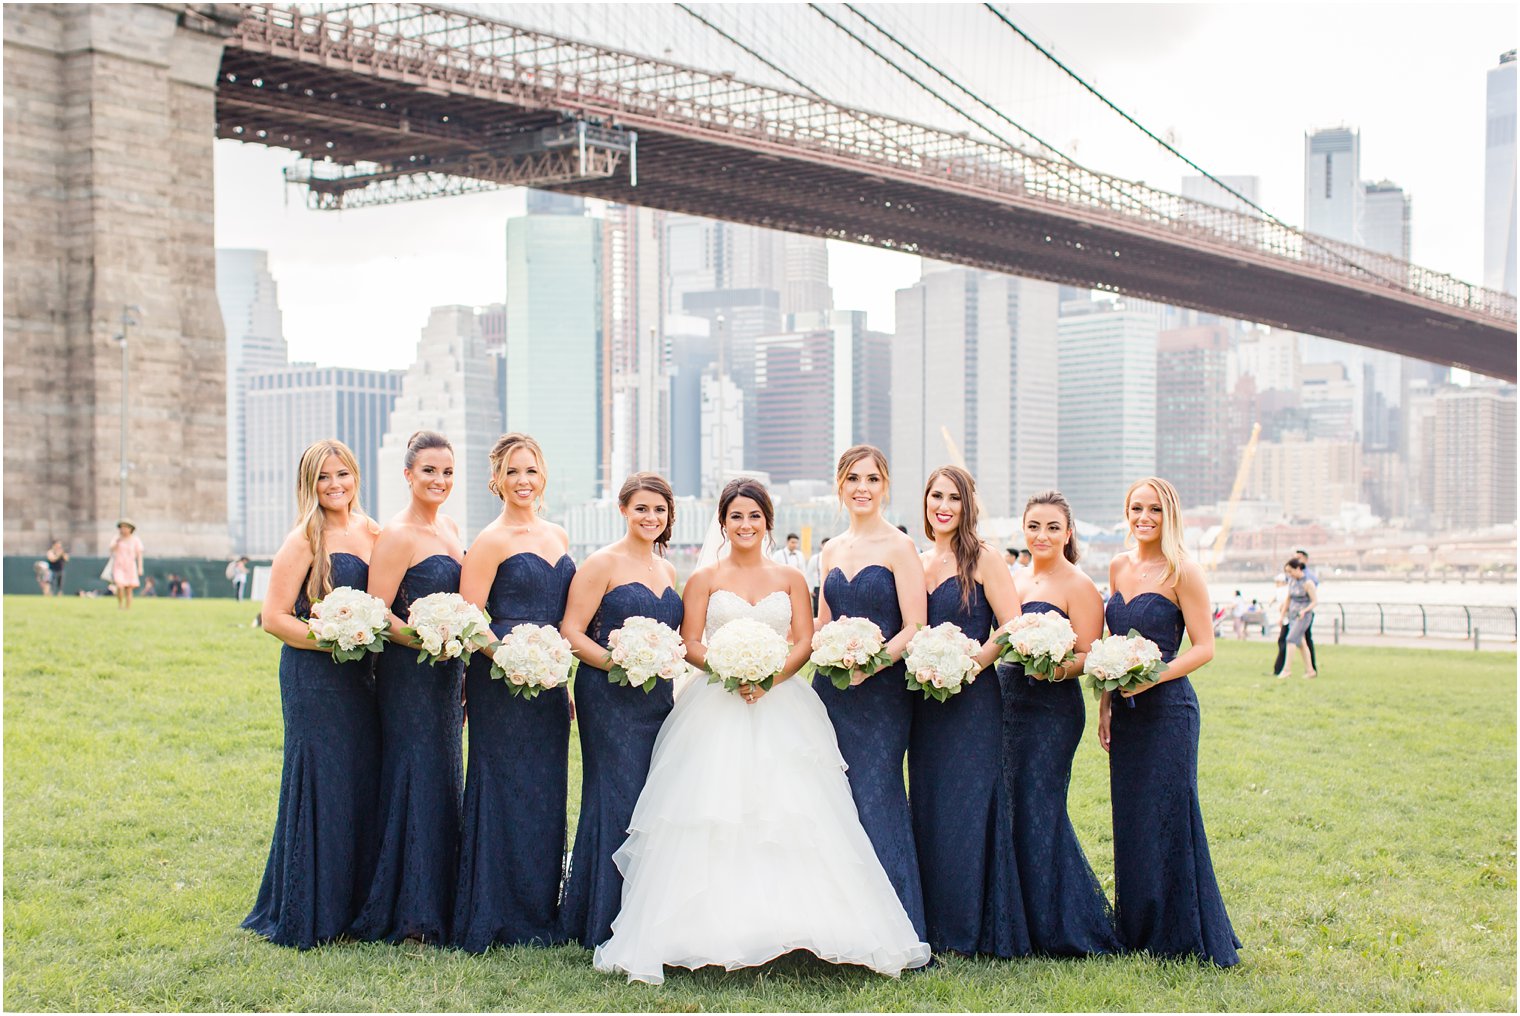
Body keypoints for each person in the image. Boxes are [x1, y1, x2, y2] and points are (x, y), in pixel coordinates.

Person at [593, 479, 930, 984]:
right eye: (736, 517)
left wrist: (770, 677)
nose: (745, 525)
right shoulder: (703, 578)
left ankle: (800, 925)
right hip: (717, 700)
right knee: (714, 810)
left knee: (794, 810)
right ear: (723, 524)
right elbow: (689, 642)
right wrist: (730, 669)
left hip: (784, 701)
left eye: (754, 516)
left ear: (767, 522)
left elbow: (805, 639)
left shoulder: (792, 576)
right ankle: (701, 929)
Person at [243, 438, 382, 949]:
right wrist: (334, 639)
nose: (335, 485)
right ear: (309, 484)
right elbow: (274, 619)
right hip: (315, 678)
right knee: (322, 780)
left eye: (342, 474)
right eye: (324, 477)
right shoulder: (304, 538)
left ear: (356, 477)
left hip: (366, 677)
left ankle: (358, 904)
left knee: (362, 778)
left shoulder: (373, 533)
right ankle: (312, 907)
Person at [1098, 477, 1239, 966]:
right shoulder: (1118, 566)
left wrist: (1152, 676)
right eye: (1136, 508)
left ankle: (1181, 933)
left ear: (1169, 514)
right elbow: (1107, 643)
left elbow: (1205, 647)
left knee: (1171, 816)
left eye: (1154, 510)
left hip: (1169, 711)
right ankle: (1136, 927)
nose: (1144, 518)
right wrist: (1105, 705)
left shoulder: (1184, 572)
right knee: (1131, 818)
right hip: (1126, 712)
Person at [452, 434, 575, 952]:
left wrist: (555, 671)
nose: (523, 480)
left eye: (532, 470)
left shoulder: (559, 535)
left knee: (546, 792)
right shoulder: (490, 541)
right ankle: (495, 911)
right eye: (513, 472)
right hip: (501, 684)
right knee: (501, 787)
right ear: (497, 480)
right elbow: (467, 617)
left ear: (542, 475)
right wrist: (510, 657)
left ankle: (539, 908)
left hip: (550, 683)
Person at [558, 472, 684, 950]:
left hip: (656, 697)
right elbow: (572, 630)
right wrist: (621, 662)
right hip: (608, 694)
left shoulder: (667, 571)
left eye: (659, 510)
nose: (650, 517)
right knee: (615, 794)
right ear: (623, 511)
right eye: (642, 508)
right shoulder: (601, 563)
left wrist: (660, 660)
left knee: (651, 797)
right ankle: (600, 914)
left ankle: (642, 909)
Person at [350, 431, 466, 945]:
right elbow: (377, 613)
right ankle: (411, 909)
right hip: (409, 673)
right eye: (429, 472)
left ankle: (441, 897)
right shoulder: (396, 534)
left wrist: (453, 642)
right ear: (407, 476)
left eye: (446, 472)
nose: (439, 480)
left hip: (447, 672)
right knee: (415, 774)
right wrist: (426, 636)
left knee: (444, 774)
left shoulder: (451, 528)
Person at [999, 489, 1122, 957]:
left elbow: (1090, 657)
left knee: (1040, 809)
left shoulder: (1080, 586)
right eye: (1034, 526)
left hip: (1052, 710)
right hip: (1007, 702)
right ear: (1023, 530)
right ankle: (1017, 920)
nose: (1042, 535)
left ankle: (1061, 926)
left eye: (1052, 527)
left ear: (1068, 533)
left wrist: (1051, 664)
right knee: (1010, 808)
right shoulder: (1014, 579)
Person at [813, 445, 927, 939]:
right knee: (834, 795)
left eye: (873, 479)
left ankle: (897, 922)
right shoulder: (830, 550)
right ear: (840, 486)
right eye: (853, 479)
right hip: (832, 690)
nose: (863, 487)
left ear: (885, 487)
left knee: (878, 791)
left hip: (882, 693)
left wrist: (871, 663)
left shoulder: (900, 547)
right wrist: (829, 654)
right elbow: (822, 622)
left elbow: (915, 624)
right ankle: (840, 920)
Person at [910, 466, 1022, 956]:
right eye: (937, 496)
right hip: (926, 702)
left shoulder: (984, 559)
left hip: (973, 699)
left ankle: (972, 925)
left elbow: (1011, 624)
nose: (944, 506)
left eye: (954, 498)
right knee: (931, 803)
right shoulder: (916, 561)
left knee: (971, 805)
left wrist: (970, 663)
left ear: (967, 505)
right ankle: (934, 921)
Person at [1271, 553, 1321, 675]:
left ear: (1298, 568)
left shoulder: (1308, 582)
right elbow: (1288, 599)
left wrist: (1304, 610)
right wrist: (1282, 615)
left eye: (1290, 571)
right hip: (1292, 615)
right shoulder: (1292, 581)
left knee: (1291, 639)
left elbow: (1315, 601)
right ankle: (1310, 670)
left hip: (1303, 616)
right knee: (1301, 643)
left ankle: (1287, 670)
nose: (1289, 574)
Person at [108, 519, 144, 610]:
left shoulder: (135, 539)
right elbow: (111, 549)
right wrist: (118, 541)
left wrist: (140, 567)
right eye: (122, 527)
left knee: (128, 589)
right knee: (120, 586)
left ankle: (127, 608)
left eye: (126, 527)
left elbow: (139, 554)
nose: (123, 529)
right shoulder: (117, 538)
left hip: (130, 566)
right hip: (119, 565)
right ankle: (120, 605)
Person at [804, 537, 827, 613]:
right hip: (817, 587)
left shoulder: (835, 557)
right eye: (825, 545)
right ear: (821, 546)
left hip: (829, 587)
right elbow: (809, 573)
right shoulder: (815, 558)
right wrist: (810, 589)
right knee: (817, 609)